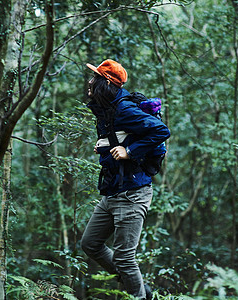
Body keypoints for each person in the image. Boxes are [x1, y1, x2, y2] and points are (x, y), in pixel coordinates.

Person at [81, 59, 170, 299]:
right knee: (90, 244)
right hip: (112, 191)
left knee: (124, 257)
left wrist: (129, 152)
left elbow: (161, 131)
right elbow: (120, 138)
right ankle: (141, 289)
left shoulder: (124, 110)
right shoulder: (106, 110)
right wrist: (105, 147)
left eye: (95, 78)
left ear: (105, 84)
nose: (90, 82)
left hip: (132, 194)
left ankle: (139, 296)